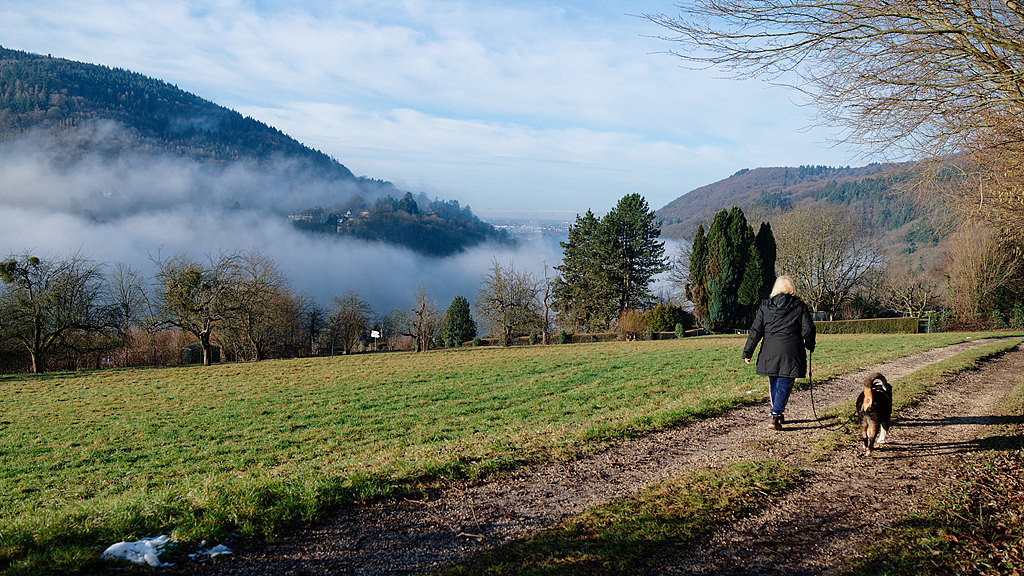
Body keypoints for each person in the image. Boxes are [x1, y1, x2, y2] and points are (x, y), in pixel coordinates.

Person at [743, 275, 816, 430]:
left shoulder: (765, 306)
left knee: (774, 380)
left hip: (769, 350)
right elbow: (808, 329)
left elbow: (756, 330)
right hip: (791, 350)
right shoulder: (799, 306)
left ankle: (776, 411)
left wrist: (748, 352)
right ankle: (776, 412)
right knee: (785, 381)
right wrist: (810, 344)